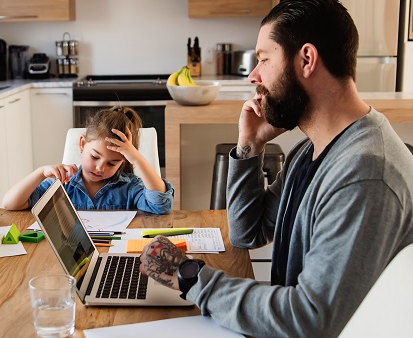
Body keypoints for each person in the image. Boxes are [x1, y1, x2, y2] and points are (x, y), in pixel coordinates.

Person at [139, 0, 413, 336]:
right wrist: (250, 146)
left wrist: (191, 276)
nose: (254, 76)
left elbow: (309, 319)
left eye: (264, 59)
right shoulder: (312, 149)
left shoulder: (365, 174)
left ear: (306, 60)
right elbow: (247, 232)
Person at [2, 106, 173, 214]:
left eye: (112, 163)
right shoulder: (62, 183)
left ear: (123, 161)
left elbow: (160, 205)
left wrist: (137, 158)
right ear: (82, 144)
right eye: (94, 156)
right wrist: (40, 173)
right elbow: (11, 204)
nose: (100, 168)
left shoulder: (130, 187)